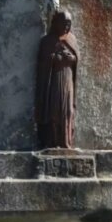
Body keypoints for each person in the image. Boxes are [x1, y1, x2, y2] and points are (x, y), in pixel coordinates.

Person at [36, 10, 79, 149]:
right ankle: (52, 141)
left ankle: (65, 141)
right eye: (64, 23)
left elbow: (76, 59)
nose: (66, 26)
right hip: (53, 80)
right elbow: (43, 63)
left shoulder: (72, 39)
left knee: (67, 111)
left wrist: (71, 58)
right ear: (56, 23)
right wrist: (54, 58)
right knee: (54, 110)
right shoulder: (47, 41)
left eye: (69, 23)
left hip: (67, 80)